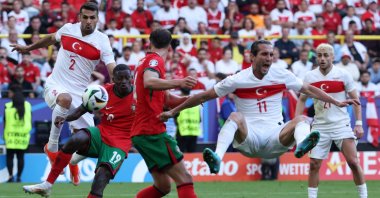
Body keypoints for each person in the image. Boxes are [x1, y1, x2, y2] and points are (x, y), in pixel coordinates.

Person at [159, 40, 358, 174]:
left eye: (271, 54)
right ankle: (217, 159)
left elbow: (309, 89)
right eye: (264, 54)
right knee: (236, 116)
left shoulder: (282, 74)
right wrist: (173, 111)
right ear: (251, 57)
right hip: (249, 139)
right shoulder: (237, 79)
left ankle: (302, 144)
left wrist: (336, 101)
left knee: (303, 120)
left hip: (276, 138)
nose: (269, 58)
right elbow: (204, 95)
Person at [10, 2, 116, 185]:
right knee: (64, 99)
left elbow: (111, 66)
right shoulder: (68, 29)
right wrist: (28, 49)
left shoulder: (102, 40)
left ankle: (72, 161)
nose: (89, 21)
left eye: (92, 18)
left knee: (88, 143)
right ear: (79, 17)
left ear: (97, 19)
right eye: (85, 17)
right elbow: (52, 38)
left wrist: (120, 84)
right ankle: (52, 147)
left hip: (81, 94)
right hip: (56, 85)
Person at [23, 64, 135, 197]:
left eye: (126, 78)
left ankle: (74, 163)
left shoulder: (138, 96)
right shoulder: (102, 93)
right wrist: (65, 119)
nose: (123, 81)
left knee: (100, 179)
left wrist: (166, 114)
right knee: (76, 139)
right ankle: (47, 185)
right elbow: (80, 111)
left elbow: (162, 106)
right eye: (119, 78)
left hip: (121, 142)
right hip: (102, 133)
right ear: (113, 79)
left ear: (132, 77)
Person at [131, 28, 198, 198]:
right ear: (170, 47)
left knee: (163, 186)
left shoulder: (142, 62)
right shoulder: (155, 61)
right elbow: (149, 82)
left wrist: (193, 99)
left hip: (141, 132)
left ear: (149, 42)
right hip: (152, 130)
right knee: (185, 179)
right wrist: (180, 81)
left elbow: (167, 100)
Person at [295, 43, 367, 198]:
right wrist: (297, 124)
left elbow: (356, 100)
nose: (322, 58)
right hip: (319, 126)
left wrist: (359, 124)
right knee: (314, 165)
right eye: (319, 55)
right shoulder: (309, 76)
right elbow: (301, 100)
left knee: (354, 162)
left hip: (341, 125)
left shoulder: (344, 74)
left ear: (333, 57)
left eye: (325, 55)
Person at [4, 86, 32, 182]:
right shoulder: (28, 105)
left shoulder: (7, 106)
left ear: (13, 93)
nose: (8, 94)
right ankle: (19, 177)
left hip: (11, 136)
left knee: (10, 156)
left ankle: (11, 177)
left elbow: (5, 122)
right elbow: (30, 119)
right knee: (21, 157)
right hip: (23, 136)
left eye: (9, 92)